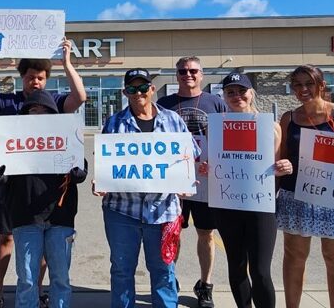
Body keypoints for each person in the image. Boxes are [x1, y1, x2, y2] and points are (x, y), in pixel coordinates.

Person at [0, 37, 87, 308]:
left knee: (46, 248)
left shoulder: (55, 102)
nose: (36, 82)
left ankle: (41, 292)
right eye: (31, 77)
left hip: (50, 197)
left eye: (41, 78)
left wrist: (67, 63)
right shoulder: (9, 102)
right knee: (7, 236)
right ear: (22, 77)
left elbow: (80, 97)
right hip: (14, 187)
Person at [94, 68, 199, 308]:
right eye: (132, 88)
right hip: (121, 211)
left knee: (164, 270)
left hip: (163, 211)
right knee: (121, 270)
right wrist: (100, 182)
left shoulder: (173, 120)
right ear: (125, 92)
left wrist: (184, 177)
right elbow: (105, 161)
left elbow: (192, 151)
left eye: (143, 87)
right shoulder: (114, 122)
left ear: (152, 89)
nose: (138, 92)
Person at [277, 65, 334, 308]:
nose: (303, 89)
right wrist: (281, 166)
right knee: (295, 257)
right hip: (296, 195)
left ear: (321, 84)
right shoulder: (289, 118)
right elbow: (282, 157)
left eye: (308, 83)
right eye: (297, 84)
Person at [0, 90, 88, 308]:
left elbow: (81, 168)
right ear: (24, 113)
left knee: (61, 278)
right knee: (27, 280)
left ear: (54, 113)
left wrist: (79, 173)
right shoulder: (13, 138)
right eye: (33, 110)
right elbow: (1, 172)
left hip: (60, 216)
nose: (39, 114)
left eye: (45, 110)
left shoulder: (67, 135)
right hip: (25, 216)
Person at [201, 73, 293, 308]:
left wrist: (284, 167)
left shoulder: (270, 127)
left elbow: (277, 163)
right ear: (223, 96)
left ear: (252, 93)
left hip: (261, 205)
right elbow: (210, 163)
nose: (236, 96)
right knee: (237, 266)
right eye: (230, 92)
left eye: (242, 90)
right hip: (228, 204)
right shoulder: (215, 128)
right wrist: (204, 167)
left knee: (261, 270)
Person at [156, 56, 226, 308]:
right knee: (172, 233)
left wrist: (218, 164)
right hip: (173, 180)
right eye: (183, 71)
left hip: (206, 180)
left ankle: (205, 285)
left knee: (206, 233)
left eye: (193, 70)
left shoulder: (215, 103)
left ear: (202, 74)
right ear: (176, 75)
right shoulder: (164, 104)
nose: (188, 74)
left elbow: (225, 140)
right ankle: (169, 281)